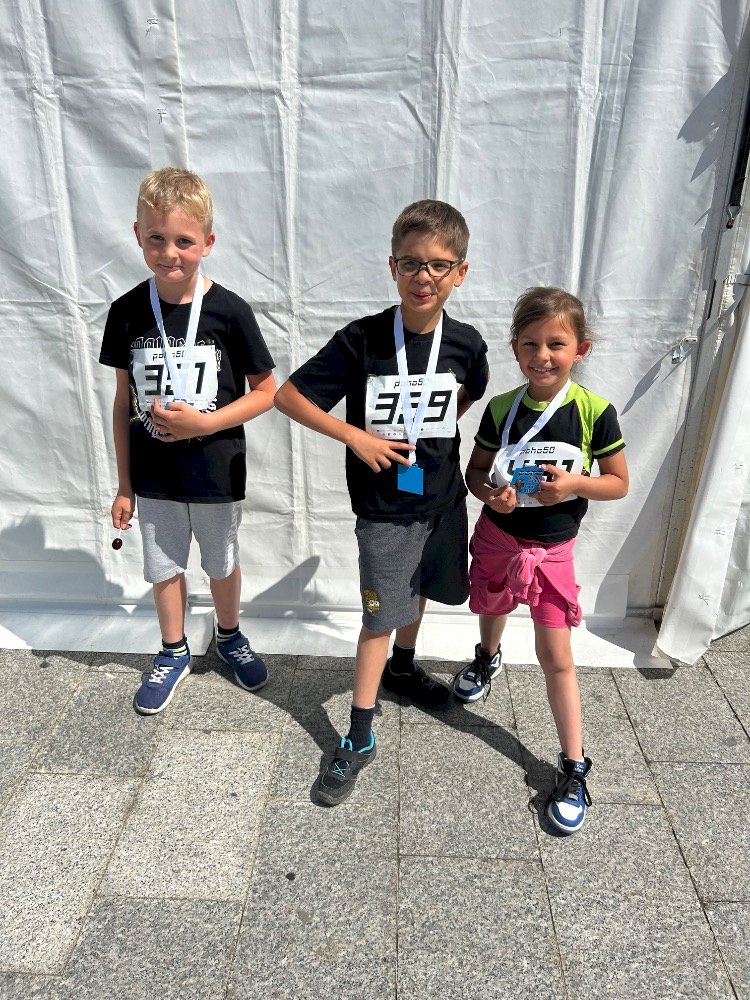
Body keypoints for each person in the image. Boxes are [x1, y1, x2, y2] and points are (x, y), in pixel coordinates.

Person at [275, 200, 489, 804]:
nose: (424, 276)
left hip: (441, 498)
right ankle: (360, 733)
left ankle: (403, 665)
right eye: (411, 263)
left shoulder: (466, 343)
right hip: (383, 509)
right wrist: (357, 437)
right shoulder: (362, 339)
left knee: (418, 588)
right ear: (392, 267)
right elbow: (289, 397)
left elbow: (469, 393)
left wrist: (427, 435)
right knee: (377, 615)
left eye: (439, 265)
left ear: (460, 272)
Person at [99, 168, 276, 715]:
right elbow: (123, 401)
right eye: (156, 238)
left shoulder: (230, 310)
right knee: (163, 566)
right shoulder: (126, 311)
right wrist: (124, 484)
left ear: (208, 242)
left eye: (183, 240)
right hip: (154, 476)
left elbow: (267, 391)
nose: (169, 252)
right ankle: (173, 648)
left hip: (217, 469)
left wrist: (206, 423)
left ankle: (229, 634)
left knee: (220, 562)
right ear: (137, 235)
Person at [453, 287, 628, 833]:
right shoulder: (500, 407)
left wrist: (575, 484)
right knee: (492, 605)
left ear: (581, 349)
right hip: (498, 537)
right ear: (514, 348)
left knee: (557, 655)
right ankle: (487, 656)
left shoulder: (594, 411)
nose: (542, 355)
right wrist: (491, 496)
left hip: (552, 553)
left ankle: (574, 766)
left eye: (557, 343)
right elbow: (474, 472)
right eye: (530, 343)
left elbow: (618, 483)